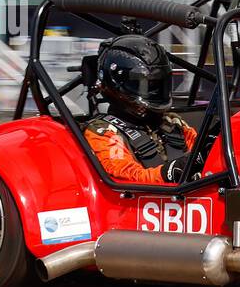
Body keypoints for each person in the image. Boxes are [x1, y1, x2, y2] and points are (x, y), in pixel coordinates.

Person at [84, 34, 200, 185]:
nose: (154, 91)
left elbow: (201, 153)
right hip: (134, 204)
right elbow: (126, 177)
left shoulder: (172, 123)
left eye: (158, 85)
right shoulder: (103, 132)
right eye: (146, 85)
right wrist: (171, 172)